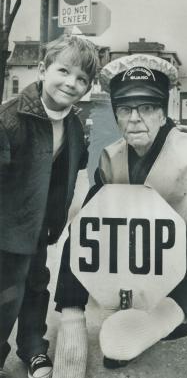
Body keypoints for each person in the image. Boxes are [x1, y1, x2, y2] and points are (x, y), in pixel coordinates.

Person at [52, 53, 187, 378]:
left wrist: (163, 317)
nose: (135, 119)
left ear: (163, 109)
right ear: (115, 113)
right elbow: (86, 234)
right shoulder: (111, 158)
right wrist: (71, 307)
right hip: (139, 270)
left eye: (147, 107)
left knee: (169, 325)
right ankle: (132, 323)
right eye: (125, 109)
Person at [0, 35, 98, 378]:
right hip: (6, 227)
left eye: (82, 78)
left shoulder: (72, 124)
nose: (71, 83)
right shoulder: (11, 117)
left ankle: (33, 348)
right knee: (4, 294)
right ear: (43, 70)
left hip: (39, 225)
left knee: (36, 287)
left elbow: (73, 169)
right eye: (64, 71)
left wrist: (61, 217)